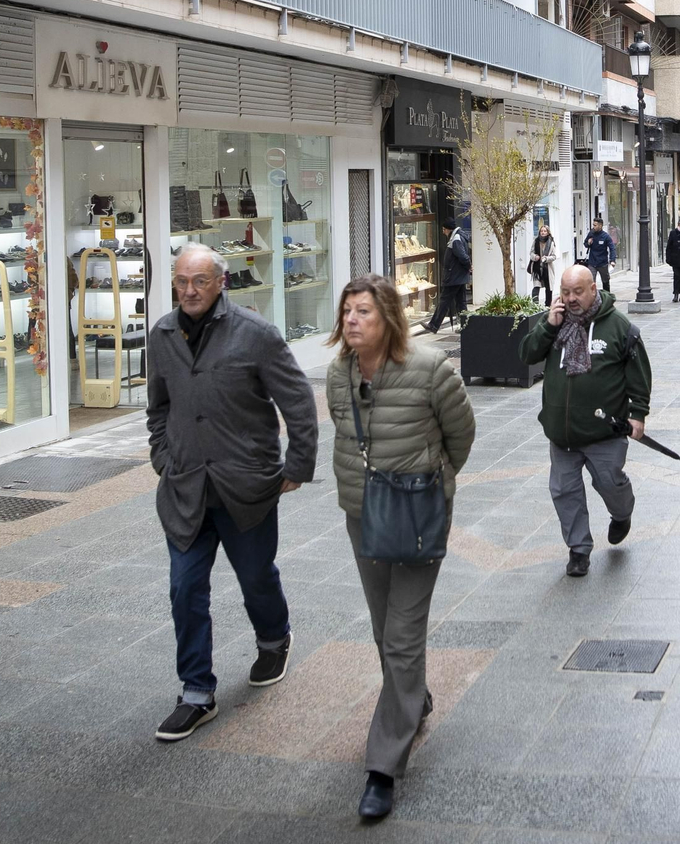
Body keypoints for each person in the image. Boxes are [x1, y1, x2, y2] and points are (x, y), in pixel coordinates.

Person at [147, 243, 317, 743]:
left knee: (256, 578)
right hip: (186, 490)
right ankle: (196, 691)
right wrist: (164, 455)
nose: (188, 291)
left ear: (221, 281)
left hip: (246, 487)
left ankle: (273, 638)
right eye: (181, 281)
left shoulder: (255, 333)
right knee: (185, 589)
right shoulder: (160, 334)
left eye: (199, 281)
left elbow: (299, 402)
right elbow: (157, 406)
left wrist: (298, 465)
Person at [325, 274, 475, 819]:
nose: (351, 321)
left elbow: (462, 435)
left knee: (402, 635)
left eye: (363, 311)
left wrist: (434, 485)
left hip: (416, 517)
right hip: (364, 518)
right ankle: (414, 698)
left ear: (388, 317)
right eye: (346, 311)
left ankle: (382, 766)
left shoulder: (430, 368)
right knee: (383, 628)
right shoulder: (339, 373)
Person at [519, 265, 651, 576]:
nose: (571, 298)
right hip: (562, 431)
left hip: (604, 429)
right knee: (564, 491)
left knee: (610, 482)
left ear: (593, 289)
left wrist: (638, 414)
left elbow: (639, 374)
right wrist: (548, 326)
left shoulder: (619, 327)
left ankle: (622, 513)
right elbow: (527, 354)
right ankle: (578, 549)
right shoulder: (555, 321)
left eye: (578, 291)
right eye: (565, 292)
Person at [424, 219, 470, 333]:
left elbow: (463, 257)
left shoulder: (455, 239)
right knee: (461, 302)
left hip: (453, 276)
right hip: (459, 276)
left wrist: (468, 265)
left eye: (444, 229)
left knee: (444, 300)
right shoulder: (459, 237)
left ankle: (434, 325)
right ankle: (466, 326)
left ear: (448, 229)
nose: (443, 232)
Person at [583, 217, 615, 292]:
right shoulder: (591, 233)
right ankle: (592, 299)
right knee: (591, 282)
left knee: (605, 281)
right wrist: (588, 242)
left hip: (602, 263)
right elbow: (585, 244)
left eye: (595, 225)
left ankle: (607, 296)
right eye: (593, 225)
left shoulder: (606, 236)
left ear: (600, 226)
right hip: (592, 262)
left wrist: (612, 260)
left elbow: (612, 248)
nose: (593, 227)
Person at [529, 223, 558, 305]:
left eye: (545, 231)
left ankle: (548, 305)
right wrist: (535, 257)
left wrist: (546, 259)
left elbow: (554, 256)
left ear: (548, 232)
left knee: (549, 288)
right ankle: (535, 306)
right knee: (536, 287)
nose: (543, 232)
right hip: (537, 268)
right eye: (541, 231)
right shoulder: (536, 241)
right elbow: (531, 253)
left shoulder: (551, 242)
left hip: (547, 268)